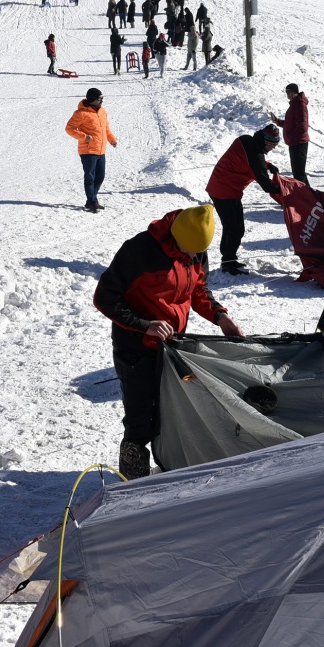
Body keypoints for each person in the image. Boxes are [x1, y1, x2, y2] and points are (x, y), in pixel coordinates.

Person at [94, 205, 244, 478]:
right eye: (188, 251)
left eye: (197, 252)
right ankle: (132, 483)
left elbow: (198, 289)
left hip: (172, 346)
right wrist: (145, 325)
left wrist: (220, 316)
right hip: (136, 348)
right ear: (177, 237)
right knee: (140, 421)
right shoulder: (139, 251)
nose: (192, 256)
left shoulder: (196, 248)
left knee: (173, 411)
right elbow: (105, 298)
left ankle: (169, 472)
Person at [206, 125, 283, 274]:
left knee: (230, 226)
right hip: (225, 192)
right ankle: (228, 264)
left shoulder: (245, 140)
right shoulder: (256, 158)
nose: (272, 148)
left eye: (275, 145)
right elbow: (267, 186)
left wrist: (266, 165)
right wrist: (284, 188)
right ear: (264, 141)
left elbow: (248, 158)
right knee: (236, 229)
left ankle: (228, 259)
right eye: (271, 145)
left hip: (218, 186)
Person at [66, 87, 117, 211]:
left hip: (101, 150)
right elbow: (69, 128)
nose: (102, 101)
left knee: (100, 176)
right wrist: (84, 137)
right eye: (100, 99)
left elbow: (106, 128)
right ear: (93, 99)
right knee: (90, 177)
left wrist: (112, 139)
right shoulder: (81, 113)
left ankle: (91, 200)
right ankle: (92, 201)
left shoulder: (102, 112)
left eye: (102, 98)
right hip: (88, 150)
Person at [273, 83, 310, 186]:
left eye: (289, 92)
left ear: (295, 92)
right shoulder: (294, 105)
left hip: (299, 143)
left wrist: (290, 137)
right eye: (286, 92)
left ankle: (306, 197)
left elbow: (302, 126)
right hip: (294, 143)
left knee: (299, 173)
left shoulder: (300, 105)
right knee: (298, 173)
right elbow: (290, 123)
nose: (287, 94)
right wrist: (278, 122)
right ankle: (309, 195)